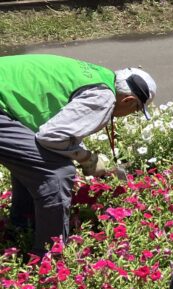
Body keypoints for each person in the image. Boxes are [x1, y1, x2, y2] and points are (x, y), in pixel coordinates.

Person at [0, 56, 156, 255]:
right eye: (135, 110)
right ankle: (49, 258)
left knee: (35, 160)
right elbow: (51, 137)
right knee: (57, 172)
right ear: (129, 100)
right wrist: (87, 159)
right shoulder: (103, 98)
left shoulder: (100, 76)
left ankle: (20, 227)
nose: (130, 114)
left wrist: (83, 155)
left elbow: (55, 129)